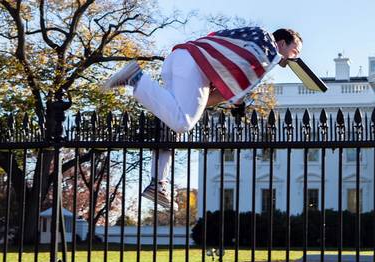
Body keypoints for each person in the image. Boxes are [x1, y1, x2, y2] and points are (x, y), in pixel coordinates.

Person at [103, 27, 302, 208]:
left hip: (179, 57)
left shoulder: (249, 40)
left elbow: (219, 93)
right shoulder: (266, 48)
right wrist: (239, 101)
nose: (295, 58)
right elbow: (237, 87)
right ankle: (136, 77)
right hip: (194, 65)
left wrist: (230, 101)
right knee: (183, 122)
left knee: (172, 121)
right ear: (282, 43)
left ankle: (158, 182)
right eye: (295, 51)